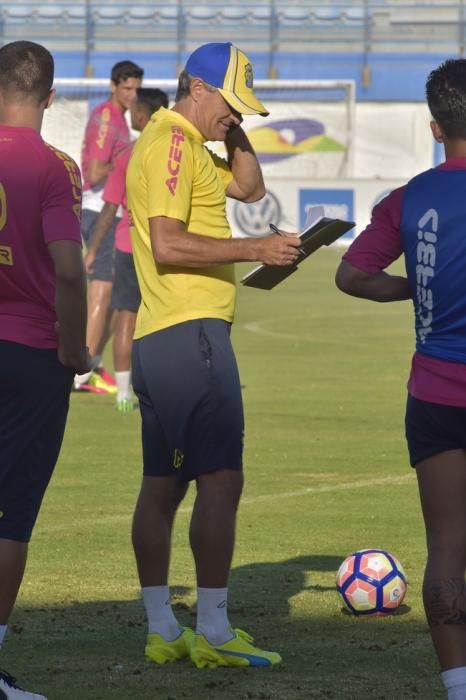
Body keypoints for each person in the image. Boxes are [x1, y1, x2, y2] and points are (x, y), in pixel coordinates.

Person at [126, 41, 301, 669]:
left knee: (163, 485)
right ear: (197, 88)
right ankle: (215, 631)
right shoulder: (173, 141)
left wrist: (237, 123)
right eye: (231, 103)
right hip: (189, 332)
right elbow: (170, 243)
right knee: (221, 477)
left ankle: (162, 629)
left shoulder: (189, 143)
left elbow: (250, 189)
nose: (238, 117)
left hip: (161, 336)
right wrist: (257, 251)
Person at [335, 58, 466, 700]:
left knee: (446, 542)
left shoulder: (410, 196)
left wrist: (414, 288)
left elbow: (351, 276)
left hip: (436, 392)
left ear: (435, 125)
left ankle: (457, 685)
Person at [0, 41, 89, 699]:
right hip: (31, 354)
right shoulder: (50, 168)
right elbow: (66, 265)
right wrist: (75, 348)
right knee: (12, 516)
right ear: (50, 97)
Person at [85, 87, 169, 411]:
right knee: (164, 318)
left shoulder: (129, 154)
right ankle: (164, 384)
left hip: (128, 244)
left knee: (125, 317)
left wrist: (92, 248)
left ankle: (123, 394)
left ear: (143, 115)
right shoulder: (176, 150)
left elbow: (110, 208)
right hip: (166, 246)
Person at [76, 59, 144, 394]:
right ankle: (79, 373)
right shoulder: (106, 116)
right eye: (127, 88)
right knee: (101, 292)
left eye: (136, 89)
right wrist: (128, 156)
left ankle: (91, 365)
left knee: (117, 300)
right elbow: (95, 170)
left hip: (111, 215)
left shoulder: (119, 121)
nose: (132, 95)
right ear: (113, 86)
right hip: (97, 210)